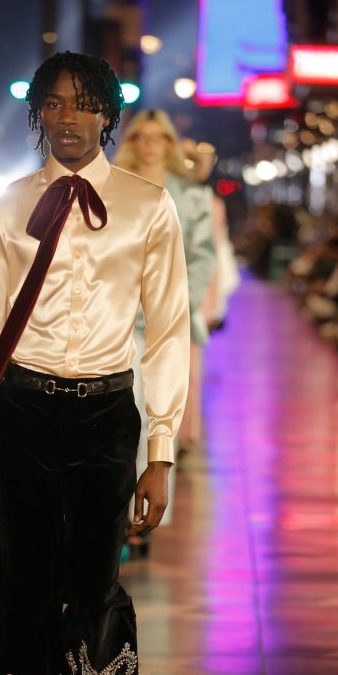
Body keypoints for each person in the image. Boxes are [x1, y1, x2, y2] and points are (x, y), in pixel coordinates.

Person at [0, 52, 190, 675]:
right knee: (22, 596)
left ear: (107, 115)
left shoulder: (148, 206)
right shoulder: (4, 207)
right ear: (36, 115)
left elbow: (167, 331)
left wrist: (161, 448)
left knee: (92, 583)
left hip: (106, 415)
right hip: (23, 410)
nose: (67, 117)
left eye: (84, 103)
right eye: (53, 103)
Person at [115, 111, 216, 465]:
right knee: (125, 410)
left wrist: (181, 304)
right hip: (122, 316)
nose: (149, 145)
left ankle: (155, 494)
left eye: (157, 137)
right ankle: (123, 493)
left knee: (161, 418)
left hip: (172, 315)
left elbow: (203, 255)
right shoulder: (115, 188)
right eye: (141, 137)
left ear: (169, 143)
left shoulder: (191, 195)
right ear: (131, 142)